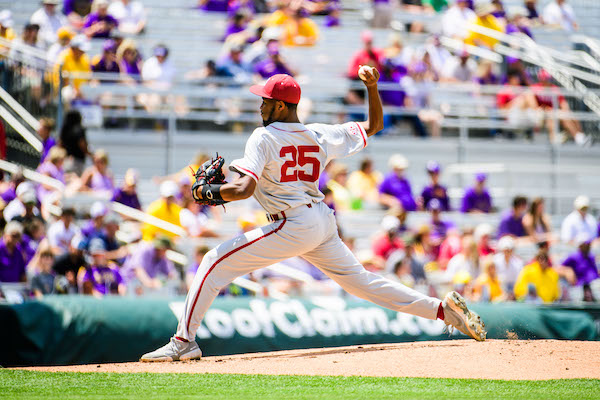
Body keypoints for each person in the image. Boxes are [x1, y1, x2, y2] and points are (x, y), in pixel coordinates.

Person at [141, 71, 486, 361]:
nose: (259, 105)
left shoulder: (263, 136)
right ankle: (443, 311)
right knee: (362, 283)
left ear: (279, 105)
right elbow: (376, 124)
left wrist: (207, 192)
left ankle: (183, 343)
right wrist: (371, 87)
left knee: (212, 263)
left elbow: (244, 189)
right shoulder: (320, 133)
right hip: (320, 219)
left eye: (264, 100)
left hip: (292, 222)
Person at [531, 69, 588, 145]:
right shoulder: (535, 88)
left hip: (553, 112)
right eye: (544, 79)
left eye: (547, 79)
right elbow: (534, 106)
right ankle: (575, 137)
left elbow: (563, 103)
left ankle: (580, 135)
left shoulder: (554, 89)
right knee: (554, 118)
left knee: (571, 115)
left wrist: (566, 112)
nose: (546, 81)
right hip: (542, 114)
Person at [54, 35, 92, 102]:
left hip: (83, 91)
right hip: (67, 89)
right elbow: (58, 80)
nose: (83, 52)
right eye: (80, 50)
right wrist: (75, 90)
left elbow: (89, 78)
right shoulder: (63, 57)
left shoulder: (85, 58)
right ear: (74, 48)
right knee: (68, 94)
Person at [561, 234, 598, 301]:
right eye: (585, 245)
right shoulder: (573, 256)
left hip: (594, 284)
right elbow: (560, 267)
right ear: (580, 246)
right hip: (581, 286)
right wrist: (568, 271)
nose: (588, 246)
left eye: (588, 244)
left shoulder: (591, 256)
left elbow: (595, 271)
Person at [59, 109, 89, 175]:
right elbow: (82, 144)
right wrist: (89, 153)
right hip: (77, 161)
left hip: (66, 160)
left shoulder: (64, 129)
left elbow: (60, 144)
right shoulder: (79, 129)